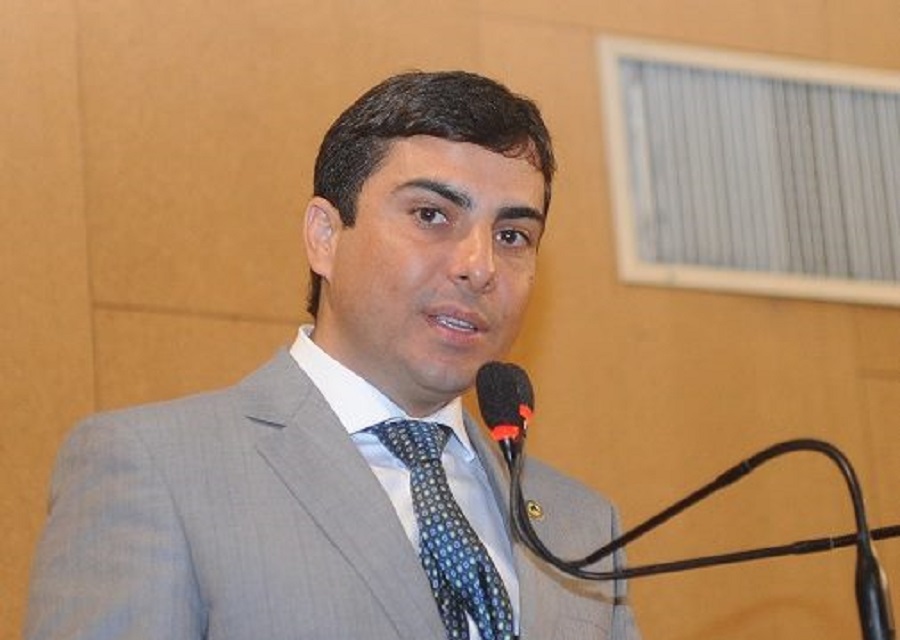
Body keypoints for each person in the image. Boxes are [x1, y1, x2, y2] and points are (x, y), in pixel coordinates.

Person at [25, 70, 640, 640]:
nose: (479, 267)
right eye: (431, 215)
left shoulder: (580, 527)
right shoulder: (155, 471)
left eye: (512, 236)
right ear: (324, 236)